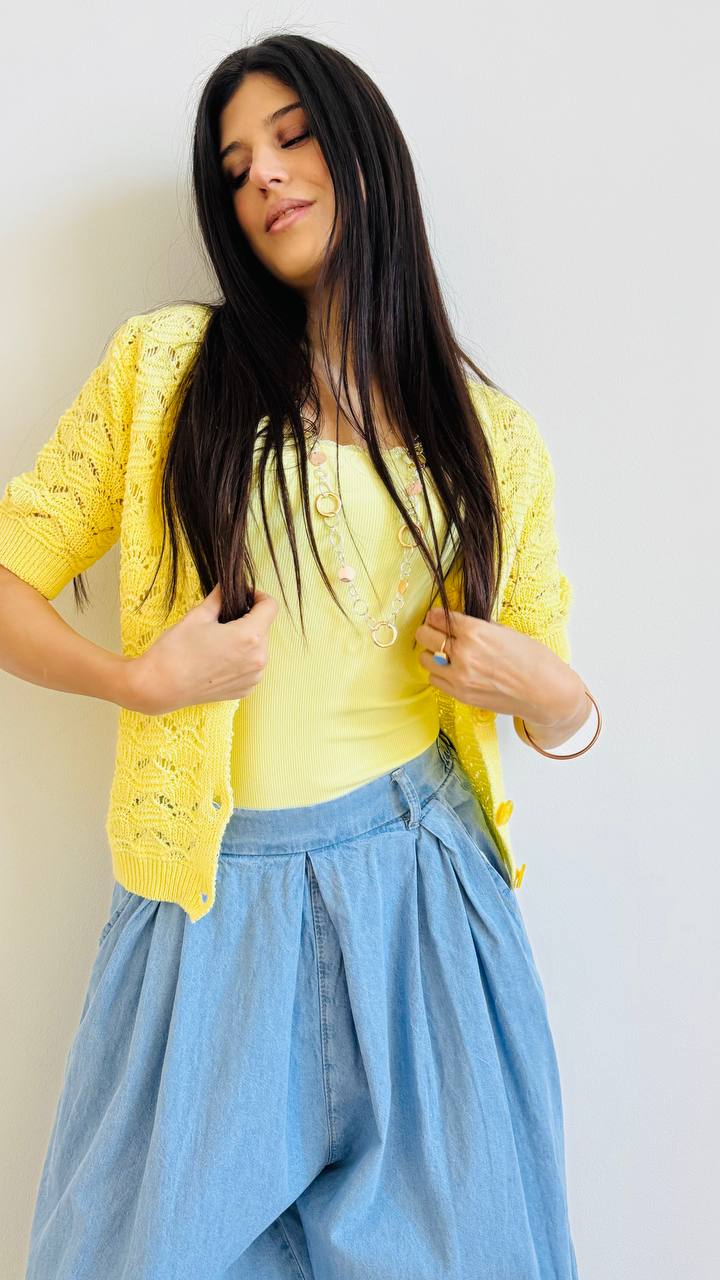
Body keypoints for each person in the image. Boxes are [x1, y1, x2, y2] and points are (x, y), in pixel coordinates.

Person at [0, 32, 599, 1280]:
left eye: (291, 136)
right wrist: (137, 681)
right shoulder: (170, 368)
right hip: (206, 903)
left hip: (422, 901)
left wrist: (552, 695)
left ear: (364, 147)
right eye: (235, 168)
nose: (263, 174)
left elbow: (553, 694)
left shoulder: (493, 436)